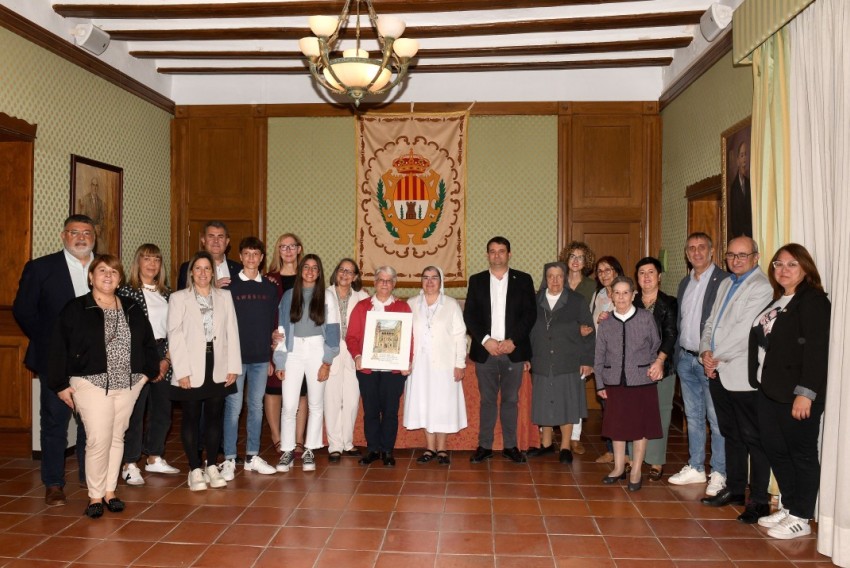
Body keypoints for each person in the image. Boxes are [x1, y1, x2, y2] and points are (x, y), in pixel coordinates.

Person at [47, 255, 159, 518]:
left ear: (120, 279)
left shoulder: (131, 307)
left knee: (117, 437)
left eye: (114, 272)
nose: (108, 276)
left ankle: (110, 492)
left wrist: (145, 375)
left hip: (128, 384)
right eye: (102, 271)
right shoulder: (76, 308)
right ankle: (95, 496)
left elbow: (148, 343)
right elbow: (57, 348)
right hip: (89, 383)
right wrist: (60, 385)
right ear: (91, 276)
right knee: (98, 439)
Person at [13, 214, 95, 506]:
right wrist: (52, 343)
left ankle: (91, 478)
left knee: (92, 422)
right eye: (75, 232)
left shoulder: (104, 267)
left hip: (94, 362)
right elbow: (23, 311)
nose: (81, 237)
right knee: (54, 422)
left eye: (87, 232)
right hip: (54, 360)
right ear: (64, 236)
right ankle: (54, 483)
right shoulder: (41, 268)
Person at [750, 244, 830, 539]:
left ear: (806, 268)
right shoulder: (781, 299)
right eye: (778, 264)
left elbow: (816, 351)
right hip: (770, 391)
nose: (783, 270)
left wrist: (805, 393)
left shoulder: (813, 301)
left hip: (797, 394)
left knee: (802, 453)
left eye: (792, 264)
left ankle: (801, 516)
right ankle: (789, 504)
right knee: (775, 449)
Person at [699, 236, 773, 524]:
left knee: (755, 438)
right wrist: (705, 351)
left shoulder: (762, 287)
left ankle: (759, 500)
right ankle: (735, 489)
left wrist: (713, 357)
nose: (736, 260)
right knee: (731, 434)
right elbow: (710, 323)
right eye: (731, 255)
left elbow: (745, 333)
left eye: (743, 255)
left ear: (756, 256)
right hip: (718, 371)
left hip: (742, 374)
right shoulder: (727, 283)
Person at [168, 251, 242, 491]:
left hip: (218, 364)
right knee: (190, 418)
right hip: (190, 366)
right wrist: (181, 370)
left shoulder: (224, 296)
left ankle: (211, 465)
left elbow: (232, 331)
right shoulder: (179, 298)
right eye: (197, 268)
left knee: (214, 418)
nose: (202, 273)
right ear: (191, 272)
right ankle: (194, 469)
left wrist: (233, 366)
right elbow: (175, 335)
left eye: (207, 269)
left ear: (213, 272)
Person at [464, 236, 536, 464]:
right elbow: (470, 316)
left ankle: (510, 446)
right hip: (486, 351)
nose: (497, 255)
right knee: (486, 400)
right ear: (487, 255)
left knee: (510, 400)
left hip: (513, 351)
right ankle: (484, 446)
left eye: (501, 251)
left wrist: (513, 340)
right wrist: (486, 340)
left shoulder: (523, 280)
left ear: (509, 254)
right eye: (492, 251)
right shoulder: (476, 281)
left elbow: (529, 314)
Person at [668, 232, 729, 496]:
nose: (696, 252)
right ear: (686, 253)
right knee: (693, 417)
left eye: (701, 247)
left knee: (716, 419)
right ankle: (696, 466)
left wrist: (715, 354)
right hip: (686, 358)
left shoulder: (724, 281)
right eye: (691, 248)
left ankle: (719, 472)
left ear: (712, 251)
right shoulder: (685, 283)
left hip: (710, 361)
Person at [117, 244, 180, 486]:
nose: (152, 264)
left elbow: (175, 329)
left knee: (162, 410)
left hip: (164, 352)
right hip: (137, 356)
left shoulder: (168, 294)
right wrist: (147, 362)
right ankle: (130, 463)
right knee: (135, 411)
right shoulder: (125, 292)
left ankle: (155, 457)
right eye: (146, 259)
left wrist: (166, 360)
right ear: (138, 262)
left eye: (156, 259)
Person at [594, 276, 662, 492]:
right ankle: (617, 468)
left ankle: (636, 470)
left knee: (639, 426)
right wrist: (599, 384)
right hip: (613, 381)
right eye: (617, 293)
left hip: (641, 381)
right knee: (617, 426)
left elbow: (655, 346)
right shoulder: (606, 324)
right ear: (611, 296)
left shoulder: (645, 319)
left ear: (634, 295)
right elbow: (599, 356)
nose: (621, 297)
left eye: (626, 293)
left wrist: (646, 367)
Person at [273, 254, 340, 472]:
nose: (310, 271)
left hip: (317, 350)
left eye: (315, 268)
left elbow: (333, 332)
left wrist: (326, 362)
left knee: (315, 403)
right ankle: (288, 450)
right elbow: (282, 331)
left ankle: (310, 448)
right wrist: (280, 361)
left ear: (319, 273)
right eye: (306, 267)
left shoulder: (328, 297)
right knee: (289, 405)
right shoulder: (289, 296)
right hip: (293, 351)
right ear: (301, 270)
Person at [220, 237, 279, 479]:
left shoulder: (269, 287)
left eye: (256, 254)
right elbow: (222, 325)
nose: (251, 258)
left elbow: (273, 324)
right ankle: (229, 459)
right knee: (233, 408)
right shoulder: (228, 287)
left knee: (255, 408)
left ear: (262, 258)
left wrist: (272, 357)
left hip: (261, 358)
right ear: (241, 256)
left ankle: (252, 456)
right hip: (235, 359)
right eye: (247, 254)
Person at [527, 262, 595, 464]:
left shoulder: (576, 300)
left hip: (568, 359)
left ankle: (565, 446)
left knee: (566, 403)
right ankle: (546, 445)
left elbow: (589, 332)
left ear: (564, 278)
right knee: (544, 403)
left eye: (559, 276)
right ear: (545, 278)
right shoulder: (535, 300)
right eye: (550, 276)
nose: (555, 280)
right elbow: (526, 330)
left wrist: (587, 360)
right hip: (541, 358)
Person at [346, 265, 412, 467]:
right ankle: (373, 448)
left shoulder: (403, 308)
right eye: (381, 280)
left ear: (394, 284)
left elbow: (409, 338)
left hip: (394, 371)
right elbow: (352, 337)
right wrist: (357, 356)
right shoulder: (362, 307)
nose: (384, 284)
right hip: (368, 369)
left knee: (390, 411)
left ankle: (387, 450)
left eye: (389, 280)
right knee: (371, 411)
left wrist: (407, 361)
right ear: (374, 283)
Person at [404, 266, 468, 466]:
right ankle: (429, 448)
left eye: (434, 278)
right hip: (419, 366)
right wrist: (404, 361)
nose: (430, 281)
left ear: (441, 282)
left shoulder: (450, 305)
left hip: (445, 365)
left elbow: (460, 336)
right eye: (426, 277)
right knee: (424, 404)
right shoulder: (411, 304)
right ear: (421, 281)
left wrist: (460, 363)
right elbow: (404, 335)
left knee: (443, 406)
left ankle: (442, 449)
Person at [631, 257, 678, 481]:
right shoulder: (630, 301)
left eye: (651, 272)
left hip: (662, 366)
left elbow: (670, 334)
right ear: (637, 278)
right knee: (634, 412)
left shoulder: (669, 303)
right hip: (633, 369)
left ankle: (656, 460)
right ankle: (634, 459)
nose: (646, 277)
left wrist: (659, 361)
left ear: (659, 276)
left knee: (660, 412)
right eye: (642, 273)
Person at [264, 233, 308, 455]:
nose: (288, 250)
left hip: (303, 343)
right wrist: (269, 338)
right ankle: (277, 436)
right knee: (274, 389)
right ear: (278, 250)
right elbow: (262, 313)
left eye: (292, 246)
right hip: (277, 342)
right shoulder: (269, 279)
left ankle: (299, 439)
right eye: (283, 246)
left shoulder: (308, 276)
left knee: (301, 392)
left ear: (299, 249)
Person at [325, 259, 370, 463]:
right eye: (342, 270)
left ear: (355, 277)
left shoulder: (363, 297)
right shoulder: (324, 294)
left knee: (351, 399)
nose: (345, 274)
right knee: (332, 399)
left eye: (349, 272)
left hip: (354, 351)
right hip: (331, 350)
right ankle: (334, 445)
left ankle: (347, 442)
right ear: (336, 273)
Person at [589, 255, 624, 465]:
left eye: (608, 270)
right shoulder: (597, 296)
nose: (603, 275)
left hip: (622, 360)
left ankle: (626, 452)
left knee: (623, 406)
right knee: (606, 406)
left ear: (617, 271)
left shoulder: (628, 292)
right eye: (600, 271)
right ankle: (611, 450)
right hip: (601, 359)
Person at [177, 221, 242, 290]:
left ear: (227, 241)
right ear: (203, 240)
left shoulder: (239, 269)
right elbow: (182, 298)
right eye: (211, 236)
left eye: (220, 237)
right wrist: (212, 289)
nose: (216, 241)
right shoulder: (188, 268)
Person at [728, 140, 753, 238]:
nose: (745, 159)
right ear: (737, 160)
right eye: (742, 155)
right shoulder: (734, 187)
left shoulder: (750, 183)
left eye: (746, 155)